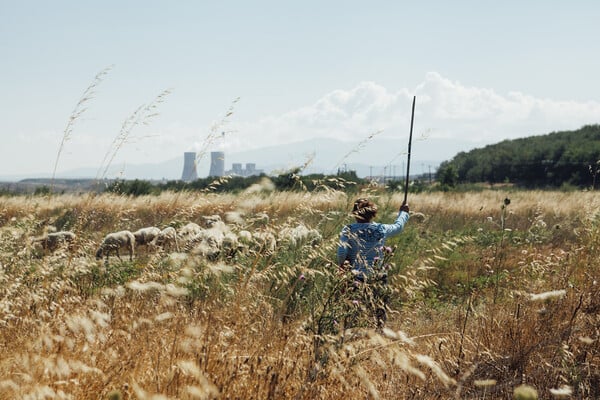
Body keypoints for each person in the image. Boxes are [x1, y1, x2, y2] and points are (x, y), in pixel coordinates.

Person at [337, 198, 410, 329]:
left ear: (355, 213)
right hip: (378, 276)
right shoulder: (381, 229)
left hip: (356, 277)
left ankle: (351, 336)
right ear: (373, 214)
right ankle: (378, 336)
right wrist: (403, 213)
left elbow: (342, 252)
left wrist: (343, 265)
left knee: (353, 310)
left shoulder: (348, 229)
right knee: (379, 310)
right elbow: (398, 228)